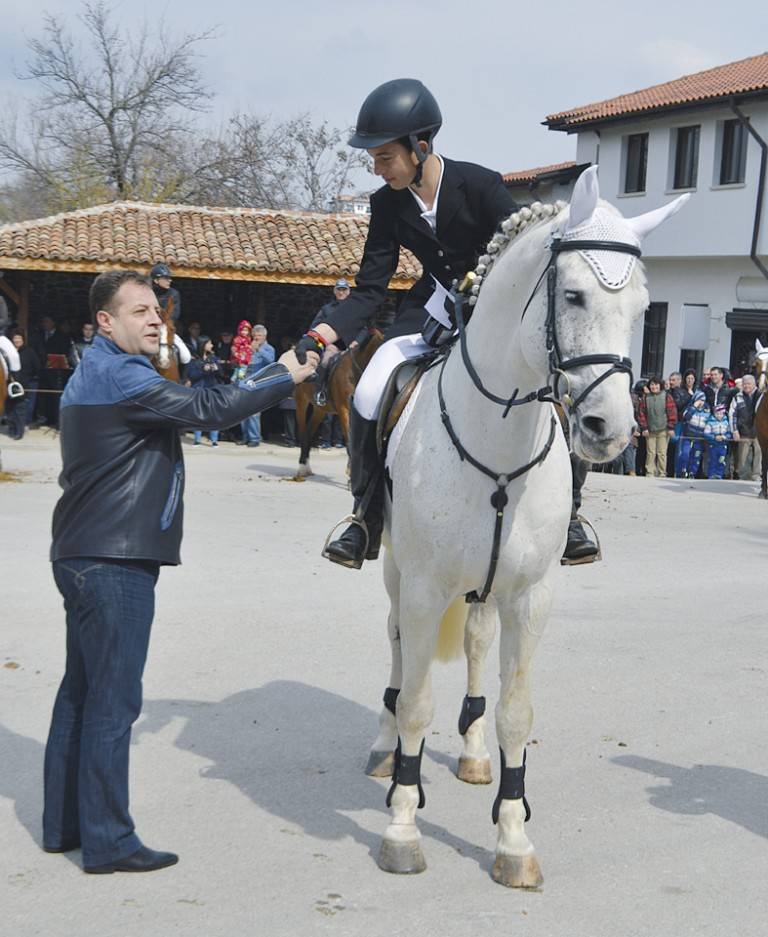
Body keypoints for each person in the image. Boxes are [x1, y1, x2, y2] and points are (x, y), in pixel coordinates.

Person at [43, 270, 315, 875]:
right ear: (105, 322)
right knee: (112, 705)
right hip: (114, 560)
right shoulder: (123, 375)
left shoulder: (90, 371)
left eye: (156, 310)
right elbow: (210, 408)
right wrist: (285, 374)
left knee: (80, 696)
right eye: (138, 310)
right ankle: (109, 842)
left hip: (82, 552)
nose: (154, 319)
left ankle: (64, 826)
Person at [238, 325, 275, 447]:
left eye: (259, 336)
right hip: (246, 381)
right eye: (255, 336)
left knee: (254, 412)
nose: (256, 338)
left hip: (259, 383)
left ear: (265, 336)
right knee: (243, 411)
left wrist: (259, 350)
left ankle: (254, 438)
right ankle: (245, 437)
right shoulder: (248, 347)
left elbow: (271, 361)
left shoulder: (269, 348)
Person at [187, 336, 223, 446]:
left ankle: (214, 440)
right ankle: (197, 439)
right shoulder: (194, 360)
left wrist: (216, 368)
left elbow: (221, 374)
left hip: (212, 388)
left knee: (214, 414)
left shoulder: (214, 358)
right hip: (198, 389)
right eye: (209, 343)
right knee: (199, 414)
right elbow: (192, 375)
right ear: (203, 345)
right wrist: (203, 370)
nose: (211, 346)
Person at [637, 376, 676, 476]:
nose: (654, 387)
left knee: (662, 452)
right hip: (650, 430)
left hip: (663, 429)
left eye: (656, 384)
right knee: (650, 452)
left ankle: (661, 472)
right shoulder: (646, 398)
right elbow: (641, 414)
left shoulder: (667, 396)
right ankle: (650, 472)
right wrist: (644, 428)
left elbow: (672, 412)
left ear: (660, 385)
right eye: (652, 385)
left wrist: (671, 427)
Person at [729, 373, 761, 481]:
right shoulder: (737, 397)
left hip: (758, 432)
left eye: (748, 384)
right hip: (743, 431)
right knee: (742, 456)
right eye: (744, 384)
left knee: (759, 454)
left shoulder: (761, 395)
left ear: (754, 384)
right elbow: (732, 414)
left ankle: (757, 475)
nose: (746, 386)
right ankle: (744, 476)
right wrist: (734, 431)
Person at [9, 329, 41, 430]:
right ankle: (15, 423)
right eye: (15, 338)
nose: (17, 340)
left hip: (29, 382)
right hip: (13, 383)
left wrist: (31, 377)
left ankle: (26, 423)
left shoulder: (29, 351)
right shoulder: (9, 352)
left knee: (28, 404)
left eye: (19, 338)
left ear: (23, 339)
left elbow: (37, 366)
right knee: (14, 404)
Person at [676, 389, 710, 478]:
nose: (701, 403)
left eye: (703, 400)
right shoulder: (690, 408)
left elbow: (709, 422)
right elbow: (686, 417)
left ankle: (692, 472)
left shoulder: (707, 410)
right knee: (685, 454)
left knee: (696, 456)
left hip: (699, 438)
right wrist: (694, 407)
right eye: (699, 400)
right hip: (688, 436)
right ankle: (683, 470)